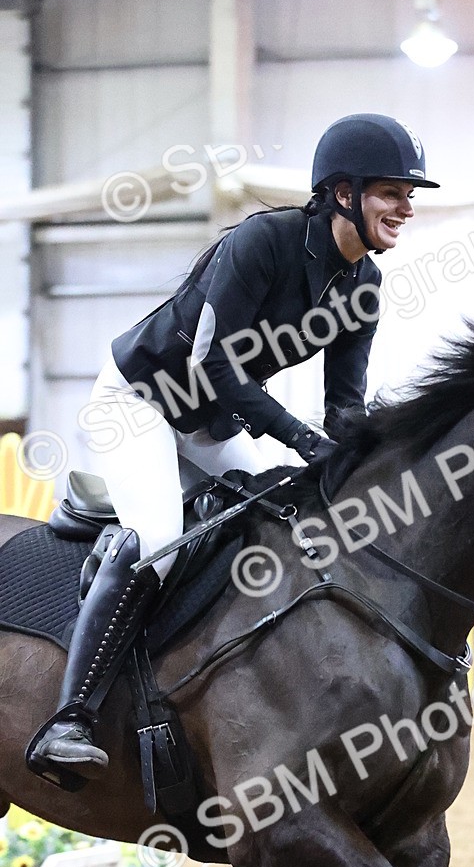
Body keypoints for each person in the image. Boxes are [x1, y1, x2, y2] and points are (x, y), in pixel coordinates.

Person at [26, 112, 440, 787]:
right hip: (139, 402)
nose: (407, 208)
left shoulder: (362, 287)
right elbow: (213, 363)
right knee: (159, 537)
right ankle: (69, 719)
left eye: (409, 195)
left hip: (209, 427)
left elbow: (344, 408)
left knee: (279, 523)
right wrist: (300, 439)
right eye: (392, 193)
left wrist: (375, 462)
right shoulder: (262, 241)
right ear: (344, 193)